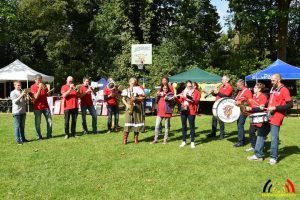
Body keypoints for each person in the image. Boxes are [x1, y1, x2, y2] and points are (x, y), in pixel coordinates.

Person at [248, 73, 293, 165]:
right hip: (267, 115)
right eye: (271, 80)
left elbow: (290, 104)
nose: (271, 82)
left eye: (273, 80)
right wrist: (264, 105)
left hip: (277, 117)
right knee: (260, 134)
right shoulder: (273, 88)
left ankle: (273, 158)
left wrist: (276, 108)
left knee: (274, 138)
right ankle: (258, 155)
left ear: (278, 80)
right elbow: (270, 100)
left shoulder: (284, 90)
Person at [207, 75, 233, 139]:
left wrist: (218, 92)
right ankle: (213, 132)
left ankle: (222, 134)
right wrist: (213, 93)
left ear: (227, 80)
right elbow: (218, 94)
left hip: (222, 105)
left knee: (221, 119)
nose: (222, 80)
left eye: (223, 79)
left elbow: (226, 96)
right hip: (217, 104)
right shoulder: (222, 86)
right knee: (214, 119)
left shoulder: (229, 87)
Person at [177, 80, 201, 148]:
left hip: (191, 110)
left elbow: (197, 101)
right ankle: (184, 141)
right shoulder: (183, 91)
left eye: (190, 86)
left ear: (192, 85)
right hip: (183, 110)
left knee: (192, 126)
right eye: (188, 86)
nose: (189, 87)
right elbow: (180, 101)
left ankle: (192, 142)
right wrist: (176, 98)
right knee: (184, 126)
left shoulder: (196, 92)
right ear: (186, 86)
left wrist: (190, 99)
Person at [245, 83, 268, 152]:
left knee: (260, 134)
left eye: (255, 87)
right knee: (251, 132)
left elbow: (261, 108)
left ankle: (259, 148)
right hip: (254, 117)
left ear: (259, 89)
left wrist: (251, 109)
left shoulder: (263, 96)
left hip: (260, 118)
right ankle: (253, 146)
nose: (253, 89)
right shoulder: (254, 96)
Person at [121, 78, 145, 144]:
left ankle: (136, 138)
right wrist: (127, 105)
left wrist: (136, 98)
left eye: (134, 83)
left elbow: (143, 97)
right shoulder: (126, 90)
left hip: (137, 107)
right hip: (129, 106)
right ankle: (125, 139)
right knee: (128, 121)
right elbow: (123, 99)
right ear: (129, 83)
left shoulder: (139, 89)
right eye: (132, 83)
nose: (133, 84)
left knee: (137, 122)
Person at [31, 74, 52, 140]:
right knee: (38, 122)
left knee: (49, 121)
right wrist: (40, 88)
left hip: (46, 106)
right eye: (38, 79)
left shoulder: (44, 85)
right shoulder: (33, 87)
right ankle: (38, 136)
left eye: (40, 79)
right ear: (35, 80)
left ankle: (49, 135)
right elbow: (36, 97)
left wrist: (48, 90)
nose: (40, 81)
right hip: (37, 108)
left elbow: (48, 95)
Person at [234, 79, 252, 147]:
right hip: (239, 110)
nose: (237, 87)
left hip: (244, 110)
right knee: (239, 125)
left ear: (242, 85)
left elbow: (250, 101)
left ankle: (241, 142)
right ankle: (241, 139)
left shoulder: (247, 91)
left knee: (240, 125)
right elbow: (237, 99)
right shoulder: (240, 91)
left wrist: (240, 102)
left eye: (238, 85)